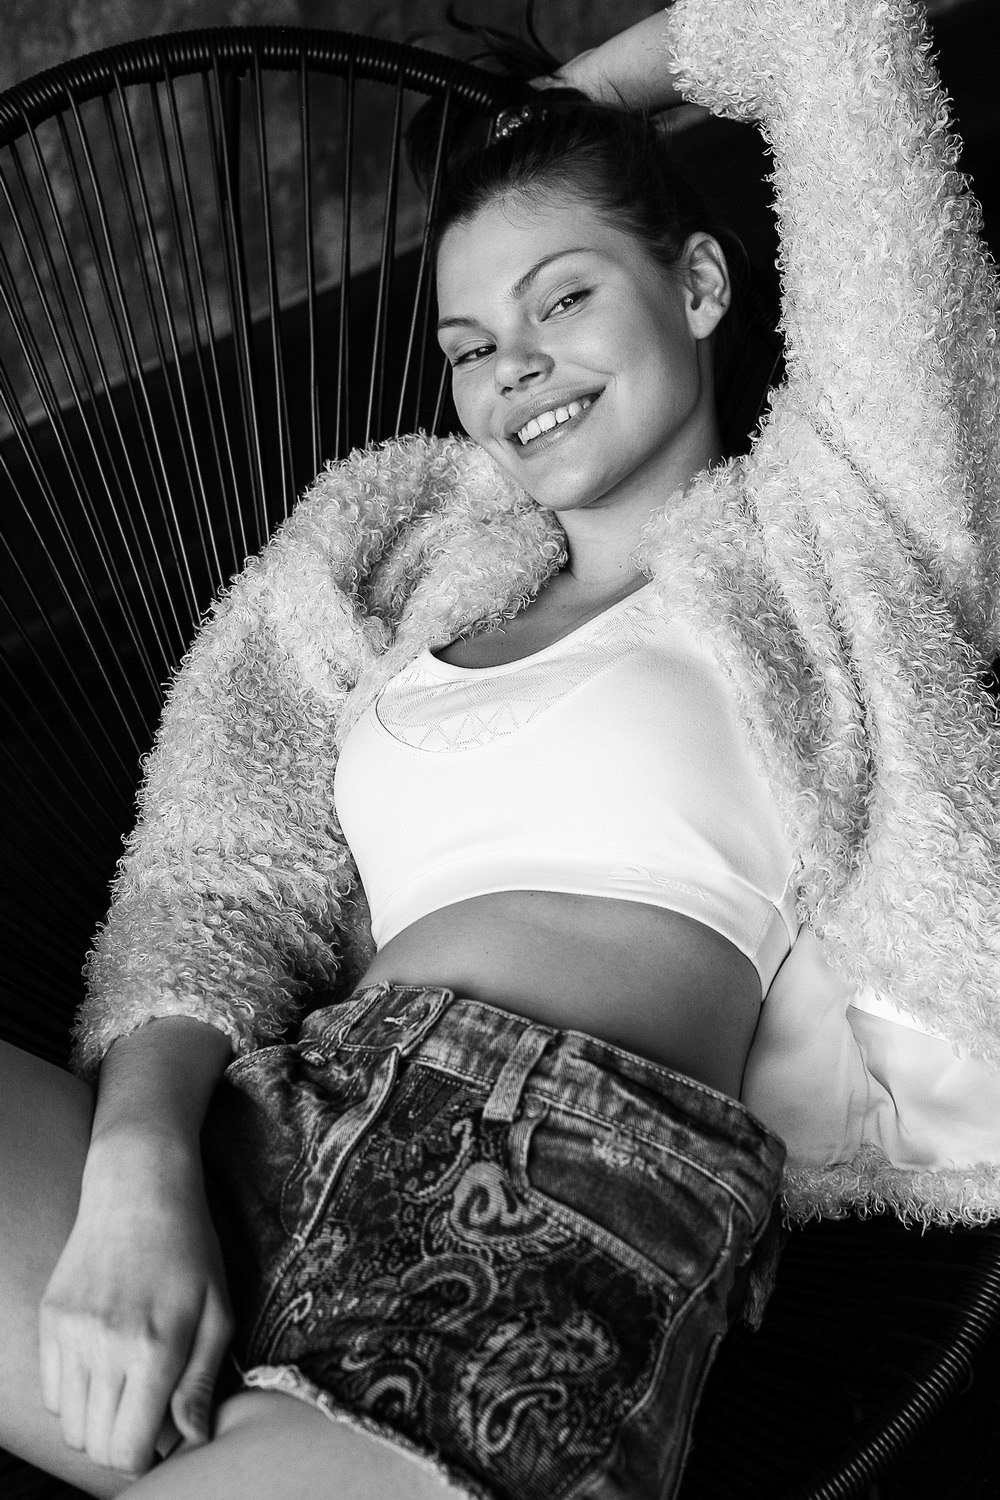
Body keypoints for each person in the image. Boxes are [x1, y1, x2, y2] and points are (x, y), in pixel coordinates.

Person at [1, 0, 998, 1496]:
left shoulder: (840, 532)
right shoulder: (385, 556)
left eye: (564, 298)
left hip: (555, 1193)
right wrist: (141, 1179)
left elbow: (829, 28)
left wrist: (570, 109)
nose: (512, 370)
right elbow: (211, 883)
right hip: (261, 1132)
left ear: (700, 283)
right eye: (471, 346)